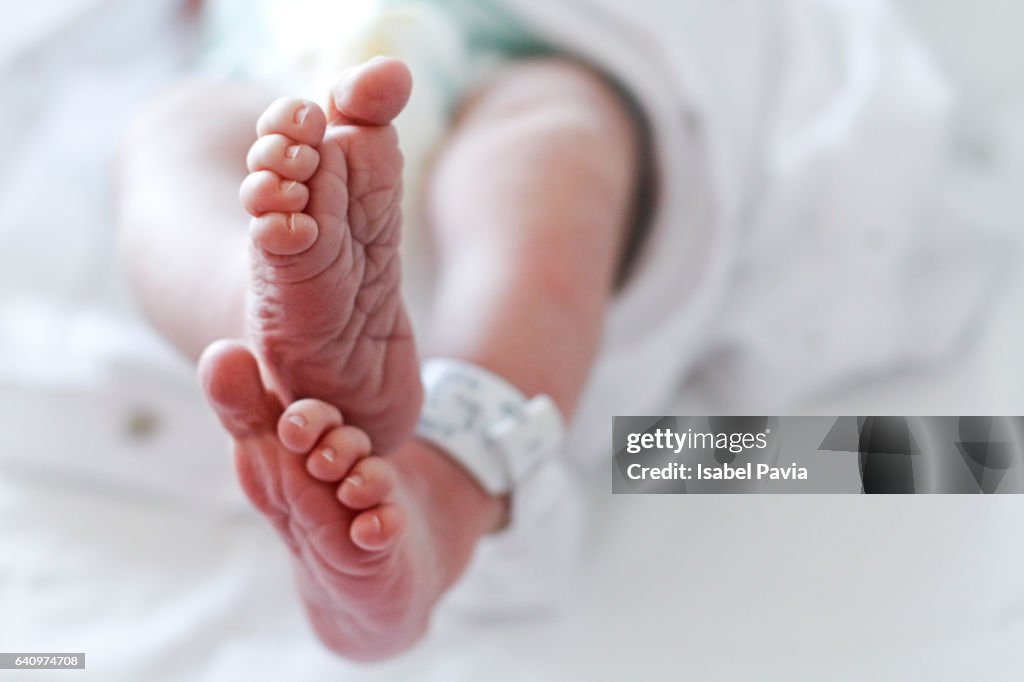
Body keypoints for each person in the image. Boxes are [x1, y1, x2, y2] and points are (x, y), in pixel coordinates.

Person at [115, 0, 1005, 663]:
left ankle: (443, 476)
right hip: (287, 90)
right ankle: (274, 314)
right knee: (172, 141)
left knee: (550, 141)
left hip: (534, 44)